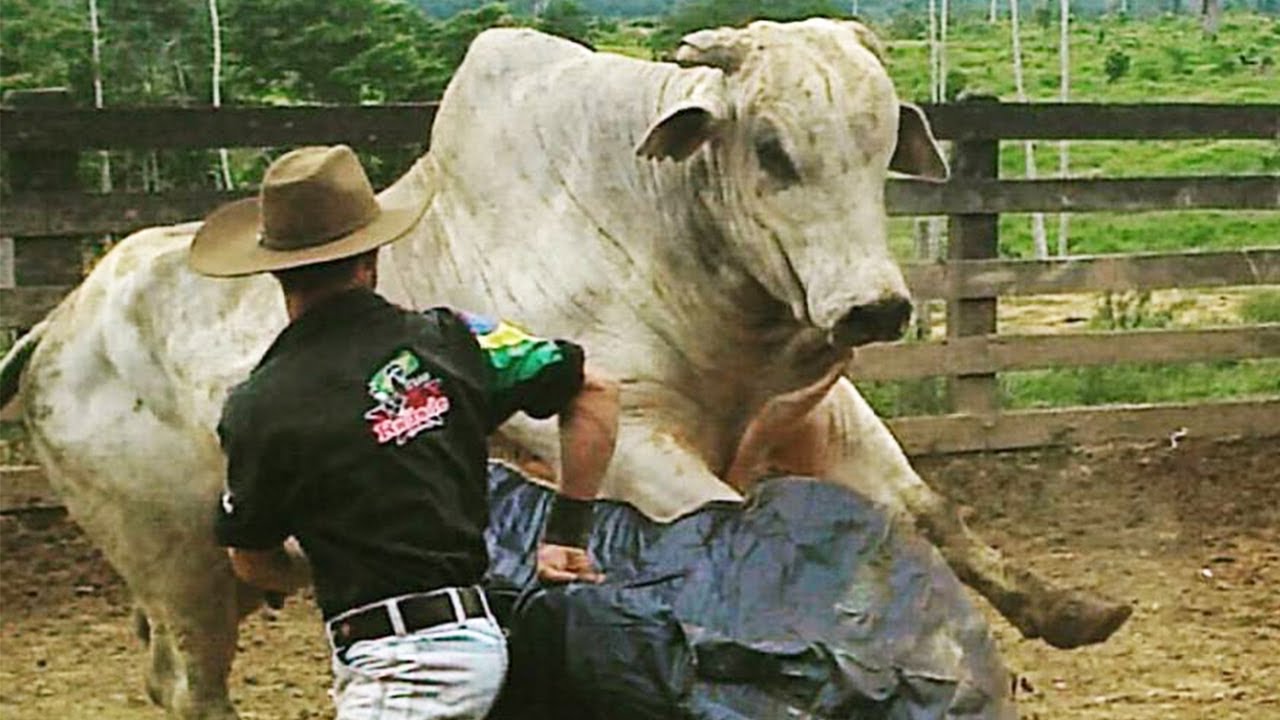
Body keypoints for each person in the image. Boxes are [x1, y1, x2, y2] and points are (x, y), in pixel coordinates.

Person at [188, 144, 620, 719]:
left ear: (274, 269)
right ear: (371, 255)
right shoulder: (457, 340)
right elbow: (595, 390)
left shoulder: (259, 407)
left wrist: (339, 562)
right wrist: (567, 533)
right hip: (477, 635)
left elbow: (253, 563)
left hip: (402, 664)